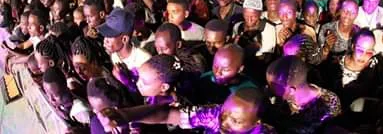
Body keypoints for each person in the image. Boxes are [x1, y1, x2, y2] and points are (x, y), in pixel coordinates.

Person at [97, 88, 276, 134]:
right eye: (225, 113)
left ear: (257, 122)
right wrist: (125, 115)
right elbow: (168, 115)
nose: (225, 122)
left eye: (236, 121)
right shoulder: (213, 115)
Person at [265, 56, 341, 133]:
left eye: (273, 86)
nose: (269, 88)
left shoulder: (330, 104)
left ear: (291, 91)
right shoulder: (279, 99)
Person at [98, 8, 151, 90]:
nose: (105, 40)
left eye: (110, 36)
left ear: (125, 39)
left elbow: (149, 95)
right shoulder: (114, 55)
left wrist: (126, 82)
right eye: (105, 35)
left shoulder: (143, 60)